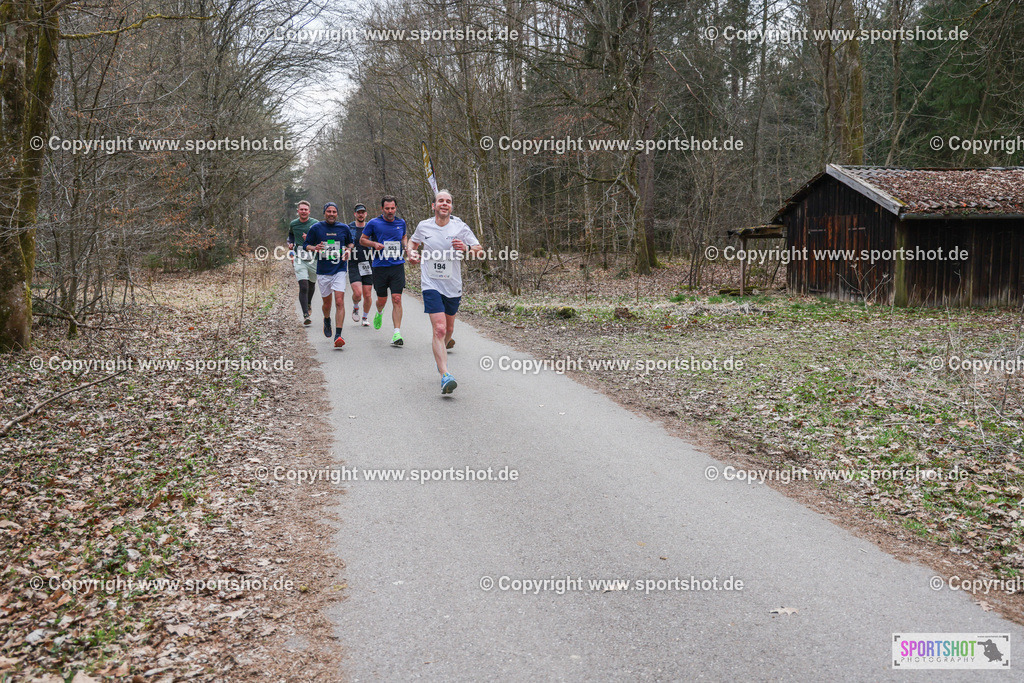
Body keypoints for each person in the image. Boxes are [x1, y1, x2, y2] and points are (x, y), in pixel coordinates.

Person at [407, 190, 483, 394]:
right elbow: (412, 242)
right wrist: (411, 252)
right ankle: (445, 374)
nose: (444, 204)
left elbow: (479, 249)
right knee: (439, 329)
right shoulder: (424, 226)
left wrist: (466, 248)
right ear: (434, 206)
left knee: (448, 330)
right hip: (430, 283)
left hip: (453, 285)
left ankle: (440, 356)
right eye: (440, 200)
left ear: (451, 206)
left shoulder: (460, 227)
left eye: (448, 201)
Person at [360, 195, 408, 346]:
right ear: (382, 209)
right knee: (382, 300)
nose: (390, 211)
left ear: (395, 208)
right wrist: (374, 244)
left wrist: (406, 246)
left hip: (397, 266)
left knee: (397, 299)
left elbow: (404, 236)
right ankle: (379, 312)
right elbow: (362, 239)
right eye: (387, 208)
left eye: (392, 208)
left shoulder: (401, 222)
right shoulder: (374, 223)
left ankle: (396, 333)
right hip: (380, 267)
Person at [303, 202, 353, 348]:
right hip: (323, 271)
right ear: (324, 213)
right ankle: (326, 319)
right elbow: (306, 245)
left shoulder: (344, 228)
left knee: (339, 301)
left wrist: (349, 251)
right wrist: (315, 248)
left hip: (340, 269)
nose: (331, 214)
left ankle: (338, 335)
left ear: (337, 213)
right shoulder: (316, 228)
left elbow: (350, 243)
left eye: (334, 212)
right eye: (329, 211)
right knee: (327, 304)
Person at [286, 200, 317, 325]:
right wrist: (290, 243)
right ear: (298, 211)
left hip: (313, 258)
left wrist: (309, 239)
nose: (303, 211)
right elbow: (290, 235)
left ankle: (308, 303)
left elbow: (321, 238)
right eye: (301, 209)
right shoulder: (294, 224)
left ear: (309, 211)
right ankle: (305, 314)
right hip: (299, 257)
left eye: (305, 209)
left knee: (311, 283)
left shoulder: (315, 224)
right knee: (303, 285)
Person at [347, 204, 373, 326]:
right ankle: (356, 306)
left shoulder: (370, 227)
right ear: (355, 214)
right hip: (354, 263)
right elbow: (344, 241)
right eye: (359, 212)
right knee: (358, 293)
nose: (361, 214)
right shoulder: (349, 227)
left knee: (367, 294)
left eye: (363, 212)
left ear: (366, 214)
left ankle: (365, 317)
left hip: (368, 263)